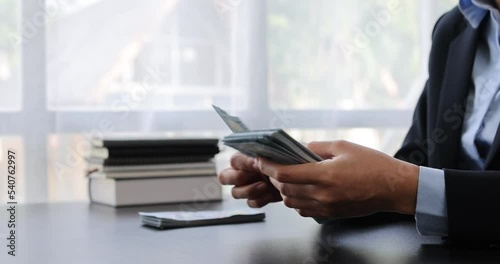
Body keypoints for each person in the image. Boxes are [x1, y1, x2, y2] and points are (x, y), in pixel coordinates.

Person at [218, 0, 500, 244]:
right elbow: (421, 161)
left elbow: (411, 185)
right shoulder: (454, 29)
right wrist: (314, 177)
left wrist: (400, 189)